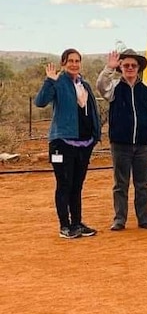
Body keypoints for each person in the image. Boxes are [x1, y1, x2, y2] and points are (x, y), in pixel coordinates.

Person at [34, 48, 102, 239]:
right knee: (64, 183)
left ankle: (77, 223)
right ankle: (65, 226)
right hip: (61, 143)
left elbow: (92, 111)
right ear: (63, 63)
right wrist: (49, 81)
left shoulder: (84, 85)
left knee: (77, 185)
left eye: (77, 61)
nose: (74, 64)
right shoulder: (57, 82)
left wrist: (95, 136)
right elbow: (40, 102)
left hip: (84, 143)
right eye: (70, 61)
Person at [96, 48, 147, 231]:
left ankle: (143, 219)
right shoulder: (114, 88)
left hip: (143, 144)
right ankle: (119, 219)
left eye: (133, 65)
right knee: (120, 184)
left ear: (139, 68)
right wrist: (109, 68)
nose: (130, 68)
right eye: (126, 65)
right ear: (121, 68)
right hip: (120, 144)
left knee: (142, 184)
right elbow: (101, 86)